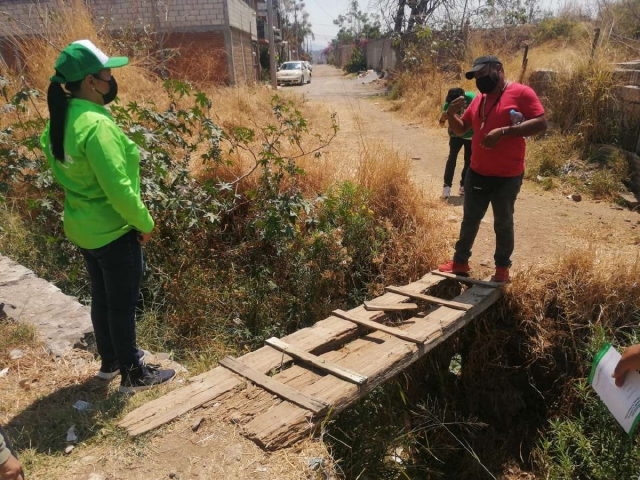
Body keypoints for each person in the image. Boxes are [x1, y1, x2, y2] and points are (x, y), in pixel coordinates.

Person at [41, 40, 175, 393]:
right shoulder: (96, 126)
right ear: (90, 81)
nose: (112, 79)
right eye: (107, 73)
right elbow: (118, 188)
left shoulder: (61, 118)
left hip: (83, 226)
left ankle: (111, 361)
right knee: (122, 304)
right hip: (114, 230)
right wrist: (144, 223)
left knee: (102, 296)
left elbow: (64, 169)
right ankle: (134, 374)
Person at [438, 55, 547, 283]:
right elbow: (461, 130)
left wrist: (504, 131)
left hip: (507, 176)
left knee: (503, 222)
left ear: (498, 69)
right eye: (475, 76)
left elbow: (540, 123)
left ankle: (501, 269)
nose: (479, 79)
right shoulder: (479, 99)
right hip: (477, 172)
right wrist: (450, 114)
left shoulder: (521, 93)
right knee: (470, 219)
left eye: (482, 73)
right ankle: (460, 262)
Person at [439, 87, 475, 199]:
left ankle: (463, 186)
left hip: (470, 134)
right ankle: (447, 187)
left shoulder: (472, 99)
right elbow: (441, 124)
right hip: (456, 134)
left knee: (468, 160)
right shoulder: (449, 105)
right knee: (452, 158)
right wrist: (442, 119)